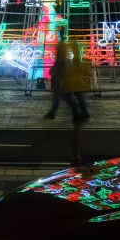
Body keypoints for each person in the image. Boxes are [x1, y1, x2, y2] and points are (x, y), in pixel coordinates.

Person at [52, 32, 91, 165]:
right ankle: (76, 156)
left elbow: (61, 61)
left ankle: (76, 156)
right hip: (71, 86)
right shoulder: (73, 60)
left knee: (77, 119)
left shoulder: (62, 48)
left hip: (67, 86)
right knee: (77, 120)